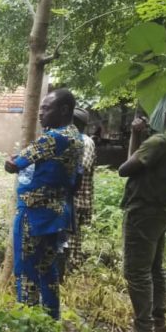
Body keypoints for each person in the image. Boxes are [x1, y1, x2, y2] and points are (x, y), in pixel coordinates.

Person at [107, 102, 166, 332]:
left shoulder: (160, 142)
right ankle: (158, 321)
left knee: (136, 271)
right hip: (162, 209)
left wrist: (137, 136)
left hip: (143, 211)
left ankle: (143, 330)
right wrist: (136, 135)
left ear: (161, 114)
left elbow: (125, 169)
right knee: (154, 268)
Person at [4, 89, 83, 320]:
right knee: (48, 269)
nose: (40, 113)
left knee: (26, 270)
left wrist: (11, 162)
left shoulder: (53, 137)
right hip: (58, 215)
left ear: (64, 110)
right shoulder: (76, 137)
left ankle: (27, 326)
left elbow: (16, 164)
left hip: (34, 214)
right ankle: (50, 320)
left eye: (46, 108)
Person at [67, 108, 95, 266]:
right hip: (72, 196)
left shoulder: (86, 142)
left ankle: (72, 266)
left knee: (73, 238)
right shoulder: (72, 140)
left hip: (77, 197)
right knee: (69, 236)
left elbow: (81, 168)